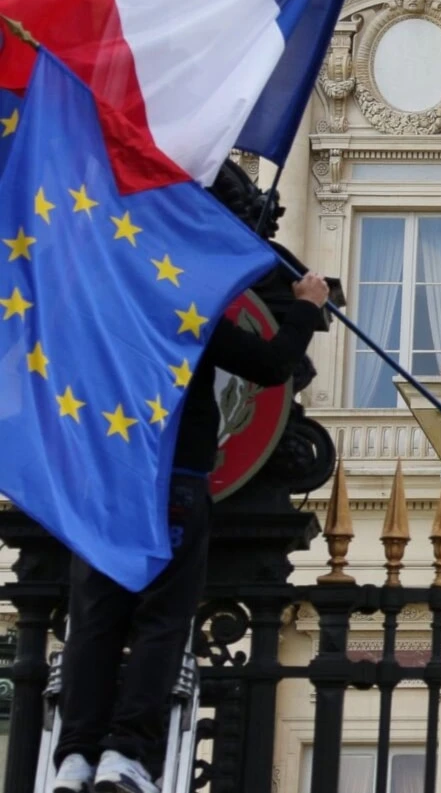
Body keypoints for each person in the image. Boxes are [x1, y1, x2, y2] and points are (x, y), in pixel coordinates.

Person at [51, 268, 331, 793]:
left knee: (93, 620)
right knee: (161, 620)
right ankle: (125, 755)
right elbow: (271, 365)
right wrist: (307, 306)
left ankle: (74, 759)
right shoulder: (180, 311)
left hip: (102, 484)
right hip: (171, 481)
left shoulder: (86, 302)